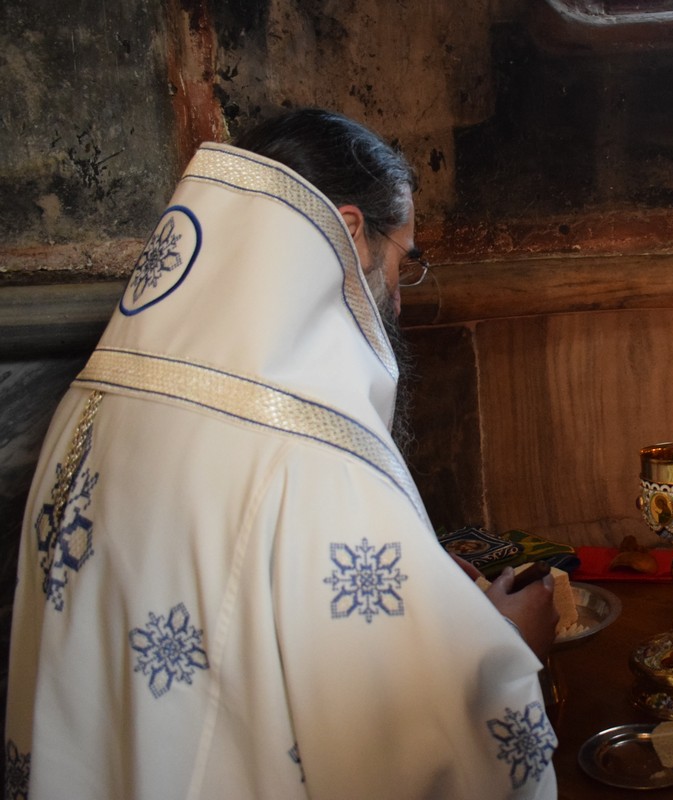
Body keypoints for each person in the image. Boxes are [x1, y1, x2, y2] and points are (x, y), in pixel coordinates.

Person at [4, 108, 559, 799]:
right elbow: (414, 750)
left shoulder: (93, 397)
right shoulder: (309, 452)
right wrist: (507, 649)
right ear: (350, 232)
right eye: (403, 260)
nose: (398, 299)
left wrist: (419, 589)